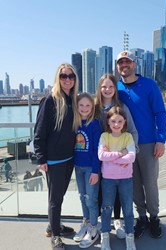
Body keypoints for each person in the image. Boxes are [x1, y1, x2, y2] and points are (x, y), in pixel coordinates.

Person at [116, 51, 166, 239]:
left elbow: (160, 113)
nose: (124, 65)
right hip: (126, 145)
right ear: (117, 66)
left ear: (134, 64)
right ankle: (142, 217)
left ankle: (154, 217)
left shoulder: (149, 85)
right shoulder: (116, 87)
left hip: (148, 144)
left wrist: (160, 139)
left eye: (127, 62)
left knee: (150, 184)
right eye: (121, 62)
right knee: (134, 184)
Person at [34, 63, 79, 250]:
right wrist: (41, 158)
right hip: (54, 159)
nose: (67, 79)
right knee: (55, 199)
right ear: (57, 79)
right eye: (63, 76)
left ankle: (53, 225)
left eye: (71, 76)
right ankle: (56, 236)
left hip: (69, 158)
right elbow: (39, 131)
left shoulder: (73, 100)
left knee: (59, 196)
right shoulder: (50, 100)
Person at [95, 73, 138, 239]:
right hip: (98, 154)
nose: (107, 89)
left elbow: (132, 131)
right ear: (99, 88)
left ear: (116, 88)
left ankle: (118, 219)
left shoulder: (122, 108)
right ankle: (100, 221)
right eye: (104, 86)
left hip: (117, 159)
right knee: (101, 190)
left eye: (111, 86)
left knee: (119, 190)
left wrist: (130, 153)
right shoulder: (95, 107)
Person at [98, 106, 136, 250]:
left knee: (128, 209)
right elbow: (101, 156)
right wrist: (121, 154)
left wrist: (111, 158)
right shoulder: (104, 137)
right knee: (106, 208)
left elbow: (131, 157)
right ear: (108, 121)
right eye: (113, 121)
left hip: (126, 179)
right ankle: (105, 236)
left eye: (120, 121)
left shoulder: (128, 137)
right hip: (108, 179)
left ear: (124, 122)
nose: (116, 124)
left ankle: (130, 237)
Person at [73, 92, 101, 248]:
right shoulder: (75, 123)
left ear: (92, 107)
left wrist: (96, 171)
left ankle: (93, 227)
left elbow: (97, 148)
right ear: (77, 106)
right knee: (82, 197)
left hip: (91, 168)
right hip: (78, 167)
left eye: (88, 105)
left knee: (91, 199)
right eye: (81, 105)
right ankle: (85, 222)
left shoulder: (94, 124)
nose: (84, 108)